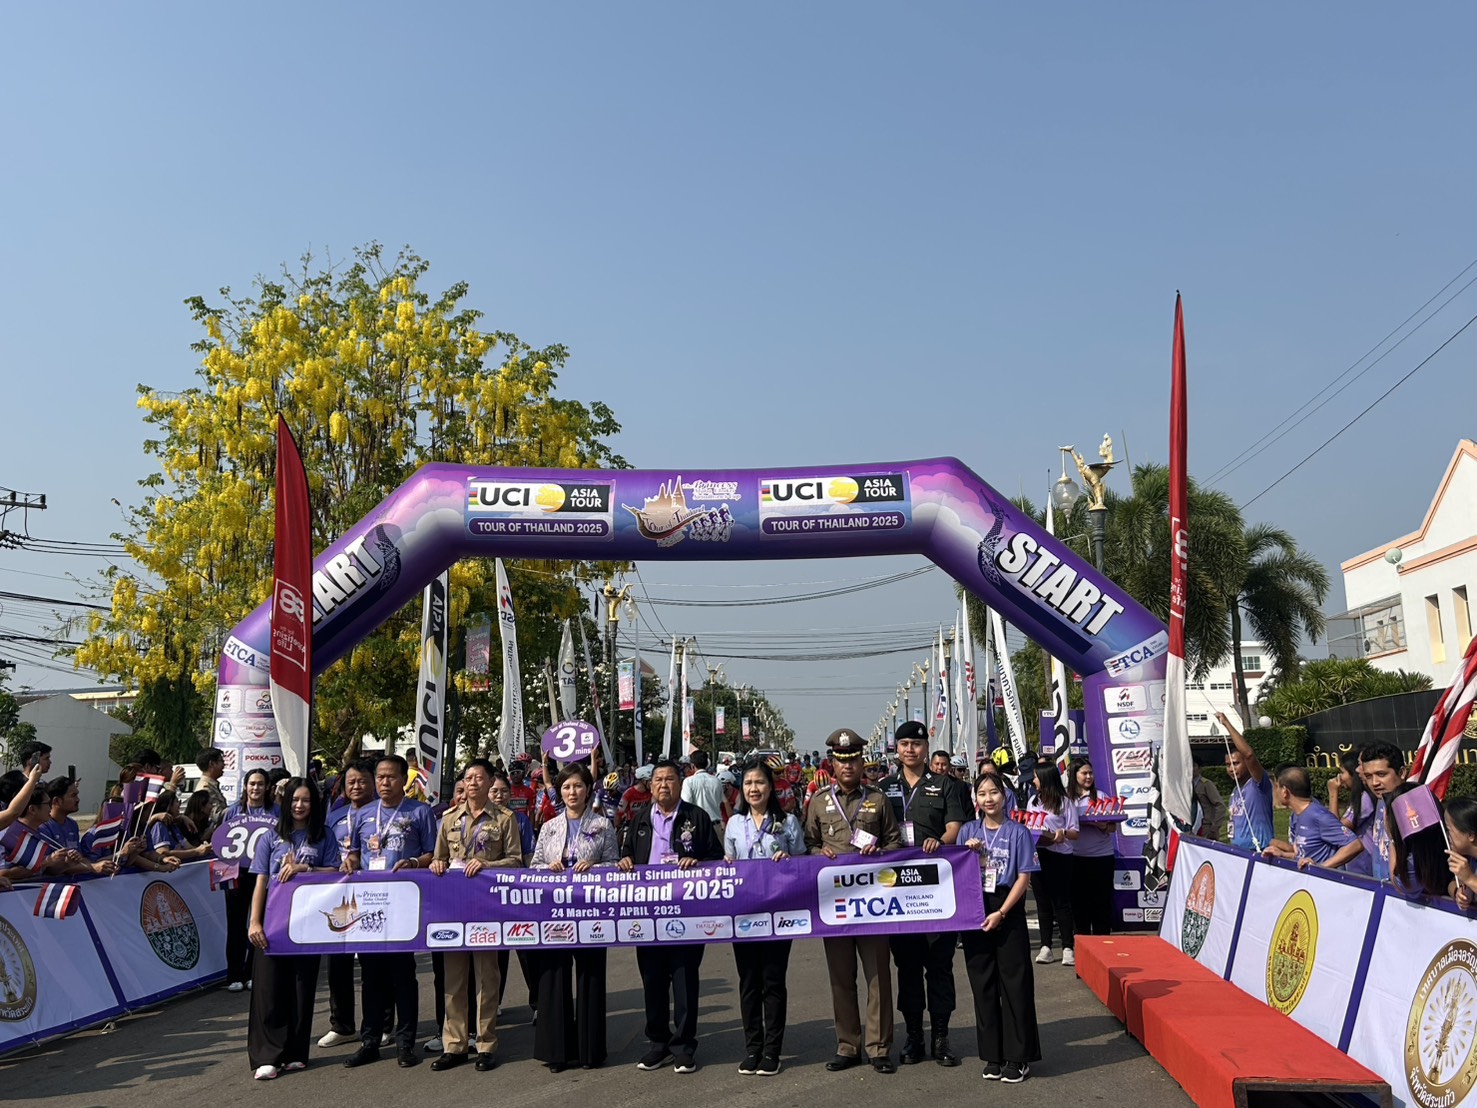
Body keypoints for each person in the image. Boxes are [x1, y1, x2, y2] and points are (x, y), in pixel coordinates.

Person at [804, 728, 904, 1075]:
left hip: (873, 903)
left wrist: (880, 851)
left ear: (863, 763)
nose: (848, 766)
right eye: (841, 760)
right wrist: (819, 852)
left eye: (854, 760)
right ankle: (847, 1045)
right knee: (840, 978)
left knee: (878, 977)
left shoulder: (878, 799)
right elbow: (807, 844)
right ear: (832, 764)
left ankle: (879, 1047)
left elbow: (895, 843)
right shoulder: (818, 801)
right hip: (835, 906)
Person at [619, 758, 723, 1074]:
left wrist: (698, 863)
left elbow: (716, 858)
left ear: (681, 783)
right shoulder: (639, 819)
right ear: (650, 786)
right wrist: (625, 860)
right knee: (652, 981)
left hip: (686, 914)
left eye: (669, 779)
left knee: (684, 981)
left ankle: (684, 1046)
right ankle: (658, 1043)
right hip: (647, 915)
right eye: (658, 780)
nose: (663, 785)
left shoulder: (696, 817)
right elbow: (627, 852)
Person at [342, 755, 440, 1069]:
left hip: (402, 904)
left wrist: (414, 862)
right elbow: (354, 853)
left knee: (403, 976)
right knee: (371, 977)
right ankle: (369, 1041)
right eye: (380, 777)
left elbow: (432, 854)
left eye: (391, 777)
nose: (385, 782)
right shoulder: (363, 813)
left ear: (403, 779)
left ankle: (405, 1043)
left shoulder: (420, 812)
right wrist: (349, 863)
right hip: (368, 906)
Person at [880, 721, 967, 1066]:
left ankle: (941, 1037)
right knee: (907, 966)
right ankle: (914, 1036)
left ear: (926, 748)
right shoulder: (884, 787)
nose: (910, 750)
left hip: (936, 889)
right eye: (904, 744)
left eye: (916, 744)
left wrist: (940, 841)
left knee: (940, 966)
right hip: (897, 893)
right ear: (897, 749)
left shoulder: (945, 785)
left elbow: (955, 826)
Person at [428, 758, 522, 1073]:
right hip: (454, 909)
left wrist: (487, 865)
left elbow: (516, 861)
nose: (472, 783)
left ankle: (486, 1044)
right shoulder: (449, 818)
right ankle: (454, 1045)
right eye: (468, 778)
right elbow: (439, 858)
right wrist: (437, 864)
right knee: (453, 980)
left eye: (478, 778)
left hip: (486, 908)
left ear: (490, 782)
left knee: (486, 978)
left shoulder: (505, 818)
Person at [246, 777, 342, 1079]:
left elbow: (335, 872)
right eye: (295, 800)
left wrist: (305, 869)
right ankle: (268, 1056)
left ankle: (296, 1052)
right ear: (286, 802)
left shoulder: (324, 836)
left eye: (306, 800)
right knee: (269, 989)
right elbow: (261, 880)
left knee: (302, 987)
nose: (300, 805)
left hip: (308, 924)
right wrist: (254, 922)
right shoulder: (270, 838)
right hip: (274, 923)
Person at [529, 764, 619, 1071]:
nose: (572, 792)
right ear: (560, 791)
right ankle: (557, 1052)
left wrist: (593, 868)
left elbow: (614, 864)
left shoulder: (603, 825)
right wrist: (549, 867)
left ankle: (589, 1051)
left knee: (590, 975)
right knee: (554, 976)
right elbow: (535, 867)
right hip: (555, 912)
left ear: (588, 789)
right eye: (566, 787)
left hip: (590, 911)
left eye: (578, 786)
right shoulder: (549, 827)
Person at [722, 759, 806, 1076]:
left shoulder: (787, 822)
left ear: (771, 787)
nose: (753, 789)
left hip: (777, 913)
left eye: (759, 782)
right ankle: (752, 1048)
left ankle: (772, 1051)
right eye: (748, 783)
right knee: (748, 982)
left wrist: (788, 859)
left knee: (772, 981)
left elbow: (803, 861)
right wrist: (727, 862)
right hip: (743, 914)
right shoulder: (734, 824)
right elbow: (728, 860)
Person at [959, 772, 1041, 1083]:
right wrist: (967, 853)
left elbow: (1024, 876)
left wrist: (1003, 912)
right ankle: (992, 1055)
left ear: (1004, 796)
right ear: (976, 799)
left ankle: (1018, 1058)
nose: (989, 798)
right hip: (975, 908)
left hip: (1007, 908)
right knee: (983, 983)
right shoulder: (968, 830)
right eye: (982, 793)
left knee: (1015, 984)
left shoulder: (1018, 832)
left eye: (994, 792)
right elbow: (955, 872)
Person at [319, 758, 375, 1050]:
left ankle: (379, 1025)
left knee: (373, 964)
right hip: (338, 896)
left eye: (362, 781)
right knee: (337, 963)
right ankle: (342, 1025)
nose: (356, 786)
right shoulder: (335, 816)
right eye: (351, 781)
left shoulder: (381, 812)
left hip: (372, 896)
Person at [1313, 741, 1405, 879]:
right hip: (1377, 884)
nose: (1375, 783)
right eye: (1369, 776)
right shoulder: (1381, 801)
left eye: (1381, 774)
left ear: (1402, 773)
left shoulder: (1411, 808)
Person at [222, 767, 276, 993]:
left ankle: (254, 972)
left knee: (260, 922)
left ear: (267, 787)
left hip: (263, 874)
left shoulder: (276, 812)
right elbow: (221, 842)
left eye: (260, 784)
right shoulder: (232, 811)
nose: (256, 788)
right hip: (236, 873)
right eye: (252, 783)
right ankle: (234, 974)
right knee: (235, 924)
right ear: (245, 786)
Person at [1028, 763, 1078, 966]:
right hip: (1039, 856)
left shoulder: (1065, 802)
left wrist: (1062, 833)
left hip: (1061, 856)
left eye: (1035, 777)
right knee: (1042, 903)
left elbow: (1075, 832)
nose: (1033, 781)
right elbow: (1030, 827)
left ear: (1045, 778)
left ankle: (1068, 947)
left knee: (1061, 903)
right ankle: (1045, 946)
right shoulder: (1033, 801)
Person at [1262, 765, 1355, 866]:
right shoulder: (1297, 815)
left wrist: (1321, 868)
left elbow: (1354, 845)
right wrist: (1282, 854)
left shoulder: (1318, 815)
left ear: (1285, 791)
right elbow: (1303, 854)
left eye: (1277, 787)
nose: (1275, 791)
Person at [1066, 759, 1115, 936]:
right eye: (1084, 773)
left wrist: (1102, 825)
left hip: (1102, 857)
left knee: (1101, 904)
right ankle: (1082, 943)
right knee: (1079, 905)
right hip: (1075, 857)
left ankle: (1103, 943)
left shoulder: (1101, 797)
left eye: (1090, 773)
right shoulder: (1066, 799)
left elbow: (1113, 827)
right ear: (1074, 775)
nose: (1088, 777)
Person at [1215, 711, 1273, 852]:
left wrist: (1226, 723)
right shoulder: (1235, 791)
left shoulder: (1258, 784)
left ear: (1247, 764)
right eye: (1228, 765)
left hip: (1259, 851)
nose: (1231, 769)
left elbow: (1249, 754)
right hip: (1238, 851)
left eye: (1236, 763)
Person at [1444, 797, 1477, 908]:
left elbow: (1468, 879)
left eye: (1449, 830)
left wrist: (1470, 879)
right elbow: (1453, 882)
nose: (1447, 835)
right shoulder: (1470, 859)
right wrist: (1457, 892)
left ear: (1470, 835)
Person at [679, 750, 725, 823]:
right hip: (716, 824)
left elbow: (686, 804)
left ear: (692, 765)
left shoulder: (688, 781)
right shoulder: (717, 781)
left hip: (697, 824)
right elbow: (720, 801)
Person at [1191, 763, 1227, 841]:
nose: (1191, 768)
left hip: (1205, 827)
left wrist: (1214, 827)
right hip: (1191, 827)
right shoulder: (1186, 785)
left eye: (1194, 766)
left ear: (1200, 769)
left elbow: (1220, 805)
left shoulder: (1206, 784)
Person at [195, 747, 229, 829]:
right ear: (212, 764)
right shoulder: (205, 788)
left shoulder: (212, 785)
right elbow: (217, 816)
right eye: (221, 761)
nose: (224, 765)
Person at [616, 764, 654, 830]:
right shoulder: (629, 793)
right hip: (631, 825)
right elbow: (619, 812)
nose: (652, 783)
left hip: (645, 824)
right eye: (650, 780)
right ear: (643, 781)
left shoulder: (651, 793)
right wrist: (618, 827)